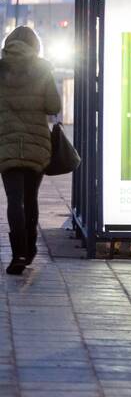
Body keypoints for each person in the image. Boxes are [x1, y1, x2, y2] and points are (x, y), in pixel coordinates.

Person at [0, 27, 61, 275]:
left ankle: (19, 253)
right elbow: (53, 106)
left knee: (14, 200)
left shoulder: (0, 68)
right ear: (35, 46)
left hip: (6, 142)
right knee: (31, 198)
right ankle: (31, 247)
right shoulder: (43, 69)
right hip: (37, 143)